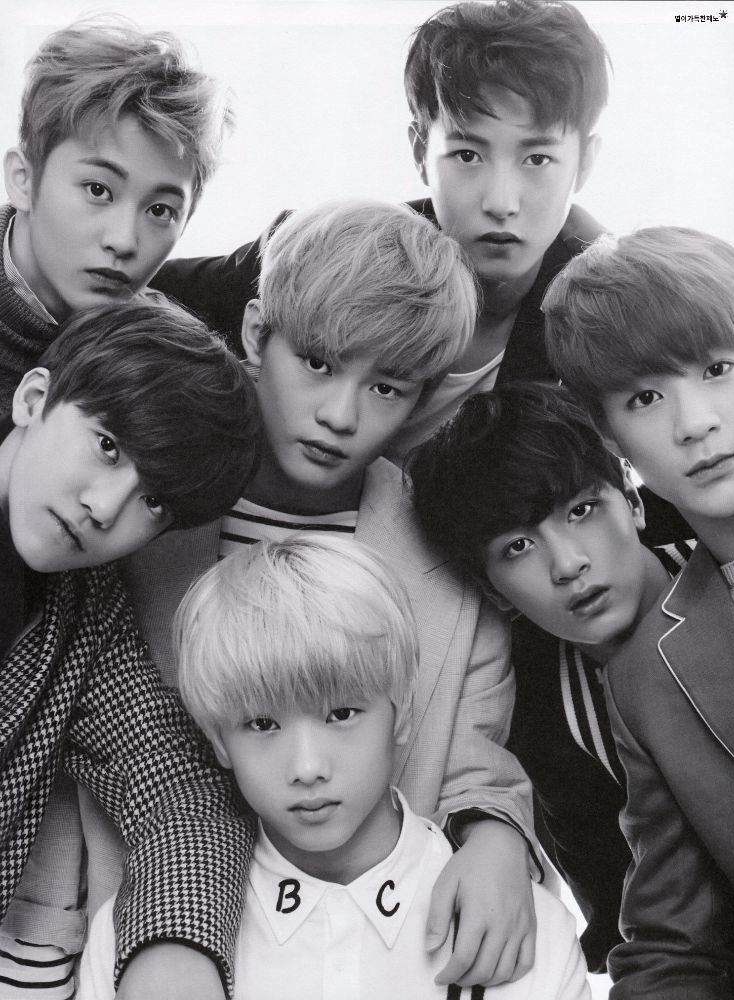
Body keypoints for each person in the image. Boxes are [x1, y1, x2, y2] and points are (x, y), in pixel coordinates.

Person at [123, 199, 541, 990]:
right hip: (139, 933)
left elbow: (471, 758)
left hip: (364, 953)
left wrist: (496, 834)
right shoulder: (143, 503)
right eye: (317, 363)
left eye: (386, 387)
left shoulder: (444, 552)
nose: (340, 415)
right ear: (256, 334)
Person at [80, 536, 590, 999]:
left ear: (402, 712)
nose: (307, 767)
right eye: (262, 724)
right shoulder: (144, 937)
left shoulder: (523, 925)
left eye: (341, 714)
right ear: (218, 740)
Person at [149, 0, 609, 461]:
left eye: (538, 159)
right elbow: (139, 294)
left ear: (586, 162)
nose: (501, 203)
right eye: (468, 155)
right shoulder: (325, 257)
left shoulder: (609, 314)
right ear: (420, 152)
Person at [0, 298, 260, 999]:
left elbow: (180, 792)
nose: (105, 507)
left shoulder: (84, 615)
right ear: (34, 399)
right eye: (108, 446)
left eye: (152, 502)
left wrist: (174, 951)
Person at [408, 380, 695, 973]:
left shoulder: (722, 565)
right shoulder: (544, 720)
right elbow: (625, 920)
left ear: (633, 501)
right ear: (491, 589)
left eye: (582, 511)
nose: (568, 564)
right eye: (518, 546)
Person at [542, 226, 734, 999]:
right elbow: (672, 949)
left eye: (717, 369)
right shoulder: (648, 675)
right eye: (645, 398)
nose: (693, 423)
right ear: (608, 435)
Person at [0, 17, 233, 412]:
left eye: (160, 210)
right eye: (98, 190)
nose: (123, 241)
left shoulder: (165, 359)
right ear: (23, 180)